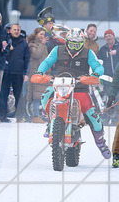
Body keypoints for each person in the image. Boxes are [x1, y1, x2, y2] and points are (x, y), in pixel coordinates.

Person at [34, 27, 111, 158]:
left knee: (93, 116)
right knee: (46, 95)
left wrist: (96, 74)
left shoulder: (88, 53)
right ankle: (49, 121)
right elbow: (47, 61)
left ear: (82, 42)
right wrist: (40, 72)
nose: (74, 46)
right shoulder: (57, 50)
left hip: (80, 87)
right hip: (59, 84)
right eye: (72, 43)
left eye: (78, 44)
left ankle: (101, 143)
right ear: (67, 41)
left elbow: (97, 65)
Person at [0, 23, 30, 122]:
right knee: (3, 94)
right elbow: (1, 54)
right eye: (14, 29)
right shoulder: (5, 41)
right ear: (10, 30)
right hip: (6, 72)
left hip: (18, 73)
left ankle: (20, 116)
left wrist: (26, 74)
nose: (16, 31)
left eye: (18, 30)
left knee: (19, 95)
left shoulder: (24, 44)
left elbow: (27, 59)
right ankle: (1, 115)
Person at [26, 27, 50, 121]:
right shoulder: (32, 44)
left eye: (44, 34)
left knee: (43, 96)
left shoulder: (42, 45)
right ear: (36, 34)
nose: (42, 36)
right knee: (36, 96)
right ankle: (35, 116)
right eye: (41, 34)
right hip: (36, 73)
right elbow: (36, 54)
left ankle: (42, 116)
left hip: (44, 74)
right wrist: (42, 44)